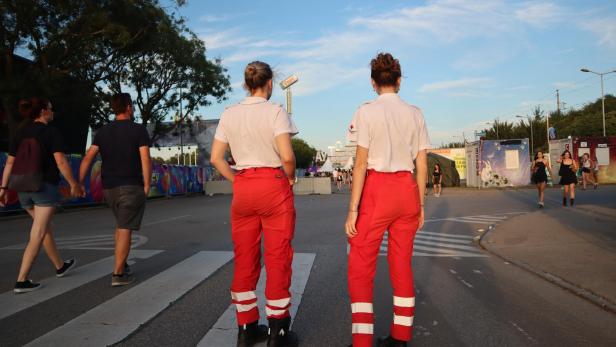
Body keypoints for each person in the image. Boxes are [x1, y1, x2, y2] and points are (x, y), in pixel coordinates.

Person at [210, 61, 299, 347]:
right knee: (278, 258)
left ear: (247, 84)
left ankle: (246, 328)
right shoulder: (275, 112)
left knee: (245, 257)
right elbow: (287, 156)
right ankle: (278, 332)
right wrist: (290, 178)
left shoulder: (229, 113)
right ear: (270, 83)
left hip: (244, 187)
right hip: (273, 184)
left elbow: (216, 159)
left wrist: (237, 181)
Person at [345, 53, 429, 347]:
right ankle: (400, 337)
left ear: (373, 82)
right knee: (401, 264)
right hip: (406, 190)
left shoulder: (365, 112)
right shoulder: (416, 113)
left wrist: (353, 210)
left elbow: (360, 163)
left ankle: (362, 341)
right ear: (399, 80)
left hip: (378, 190)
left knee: (360, 265)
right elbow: (421, 164)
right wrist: (421, 205)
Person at [0, 98, 80, 293]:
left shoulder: (20, 133)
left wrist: (3, 188)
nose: (53, 112)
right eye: (51, 109)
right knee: (38, 233)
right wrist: (73, 183)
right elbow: (60, 162)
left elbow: (9, 164)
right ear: (43, 111)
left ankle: (60, 265)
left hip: (22, 188)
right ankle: (22, 280)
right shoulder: (51, 132)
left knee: (44, 229)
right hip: (43, 188)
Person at [79, 93, 152, 287]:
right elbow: (145, 158)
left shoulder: (103, 131)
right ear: (128, 107)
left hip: (109, 188)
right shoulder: (139, 130)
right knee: (125, 228)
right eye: (133, 106)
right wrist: (146, 184)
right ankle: (118, 274)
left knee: (120, 226)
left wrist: (78, 182)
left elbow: (88, 158)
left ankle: (123, 263)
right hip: (131, 186)